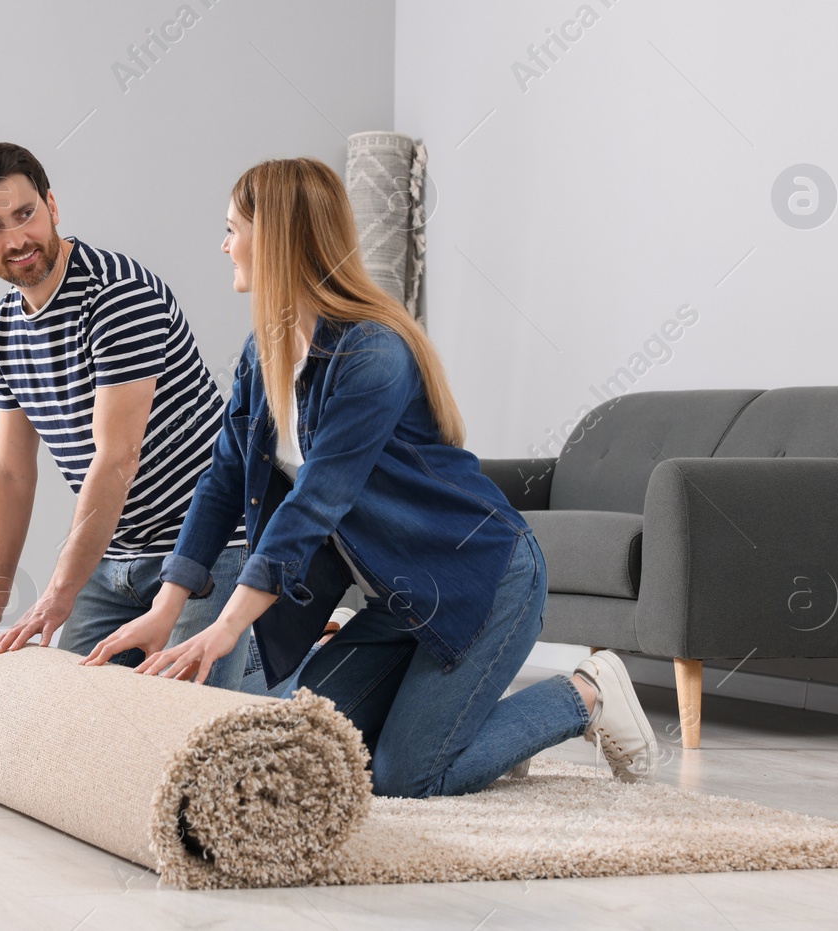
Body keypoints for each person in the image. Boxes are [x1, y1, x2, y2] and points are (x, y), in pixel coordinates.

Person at [82, 157, 659, 793]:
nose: (224, 245)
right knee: (313, 751)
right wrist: (166, 609)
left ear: (275, 239)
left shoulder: (373, 353)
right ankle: (475, 732)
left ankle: (587, 693)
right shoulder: (264, 351)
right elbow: (221, 482)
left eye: (232, 229)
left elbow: (314, 503)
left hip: (482, 582)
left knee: (407, 778)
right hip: (401, 599)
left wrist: (226, 627)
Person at [0, 142, 252, 689]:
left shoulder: (117, 296)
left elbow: (116, 459)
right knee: (65, 710)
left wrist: (56, 595)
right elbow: (11, 471)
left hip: (210, 547)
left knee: (179, 721)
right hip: (114, 557)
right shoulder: (4, 329)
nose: (18, 239)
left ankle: (281, 641)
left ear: (52, 205)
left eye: (26, 214)